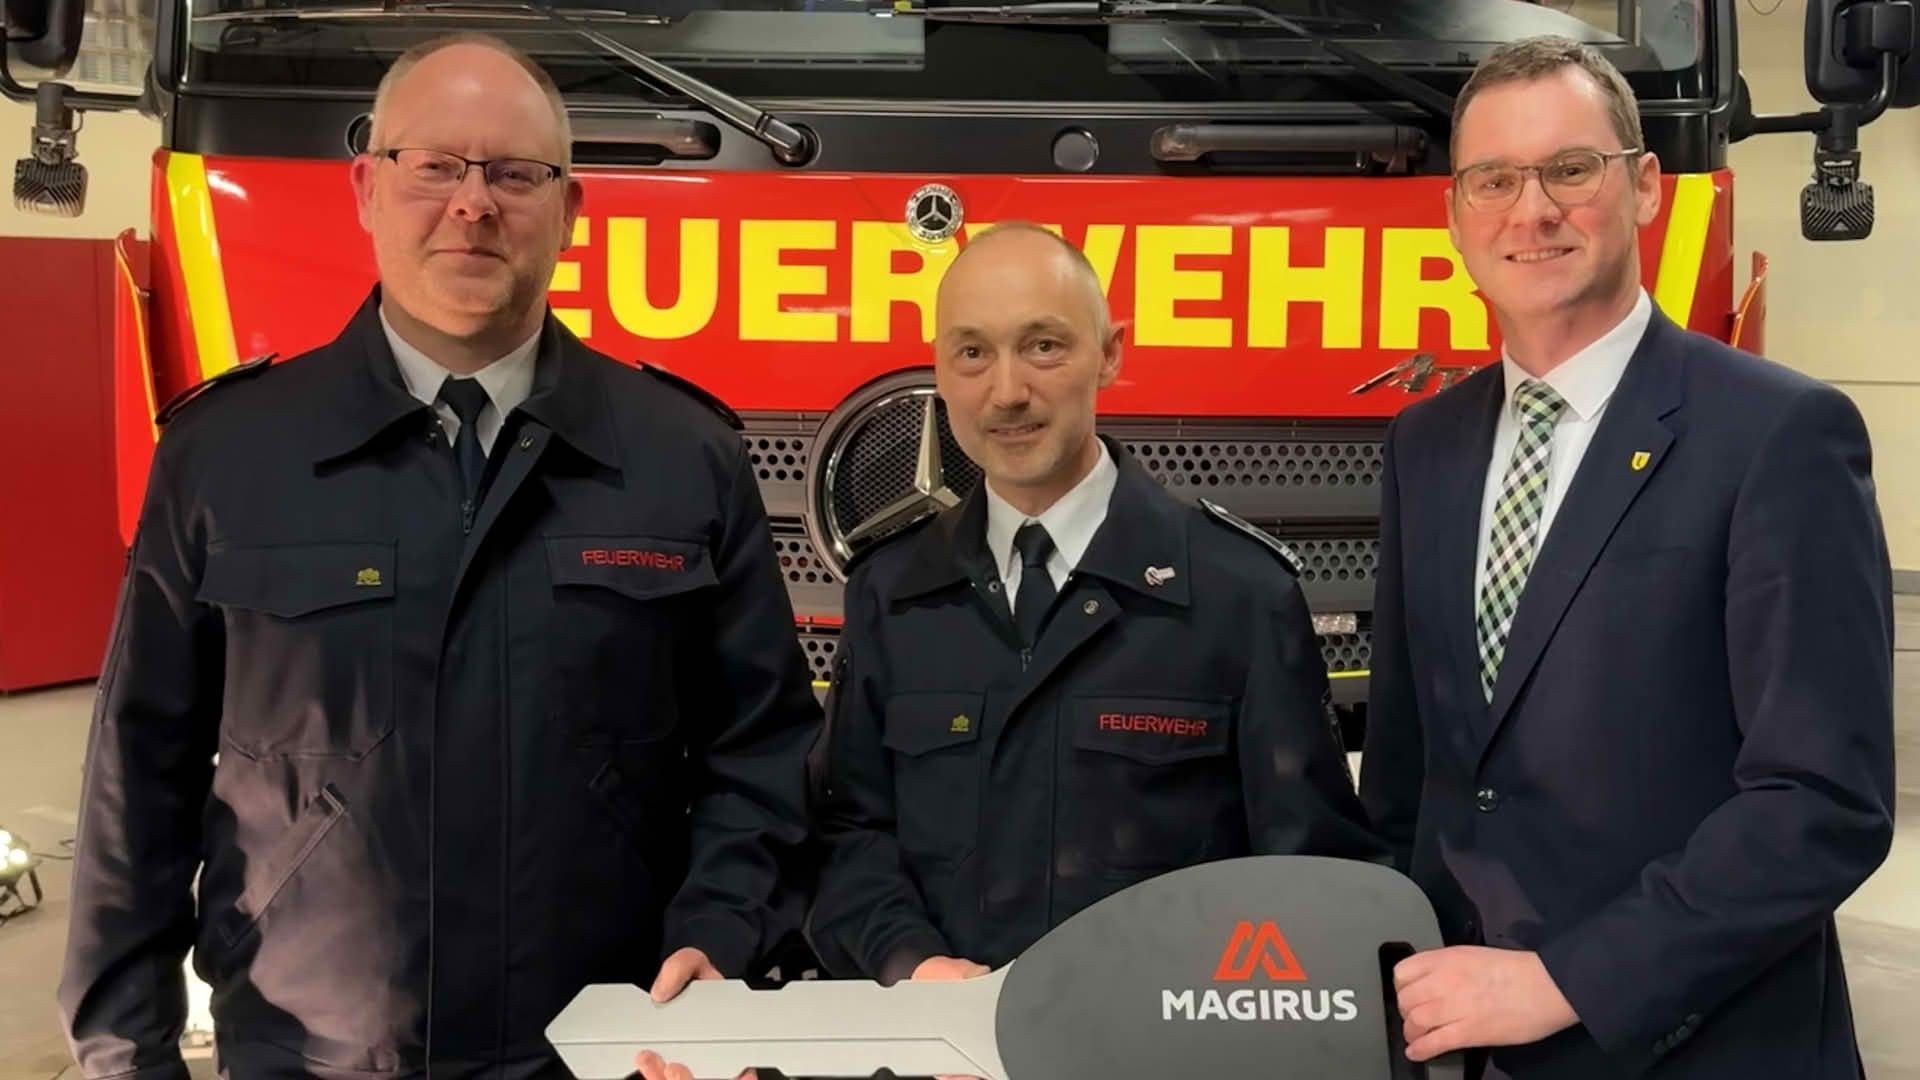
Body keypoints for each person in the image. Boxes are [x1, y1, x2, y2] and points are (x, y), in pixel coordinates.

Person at [58, 33, 820, 1079]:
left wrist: (721, 933)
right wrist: (125, 1057)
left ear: (570, 210)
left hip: (607, 1053)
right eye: (434, 167)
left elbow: (763, 750)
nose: (473, 204)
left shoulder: (684, 458)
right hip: (309, 1059)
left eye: (515, 173)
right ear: (367, 188)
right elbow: (136, 781)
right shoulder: (223, 457)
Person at [1360, 35, 1895, 1078]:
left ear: (1645, 187)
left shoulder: (1779, 435)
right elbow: (1409, 771)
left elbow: (1823, 801)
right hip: (1465, 1036)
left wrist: (1566, 981)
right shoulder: (1425, 444)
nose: (1531, 212)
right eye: (1493, 180)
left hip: (1698, 1040)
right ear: (1455, 213)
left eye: (1571, 169)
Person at [802, 222, 1388, 990]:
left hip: (1157, 1041)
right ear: (939, 371)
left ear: (1110, 355)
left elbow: (1310, 875)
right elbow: (848, 835)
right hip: (938, 1035)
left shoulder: (1239, 597)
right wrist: (911, 962)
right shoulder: (891, 595)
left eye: (1043, 346)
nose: (1006, 392)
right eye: (972, 353)